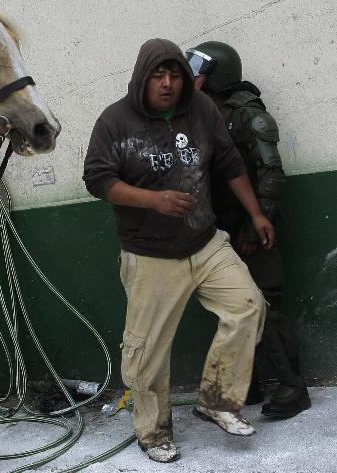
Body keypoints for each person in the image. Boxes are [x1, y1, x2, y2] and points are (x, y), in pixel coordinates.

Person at [83, 38, 273, 463]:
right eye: (158, 75)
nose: (167, 83)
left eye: (174, 75)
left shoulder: (200, 109)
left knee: (247, 305)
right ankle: (153, 432)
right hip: (150, 254)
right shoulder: (115, 122)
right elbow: (96, 179)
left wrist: (256, 213)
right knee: (146, 356)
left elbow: (229, 163)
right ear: (142, 78)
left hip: (205, 242)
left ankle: (218, 401)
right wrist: (154, 200)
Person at [187, 40, 311, 419]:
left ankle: (293, 389)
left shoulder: (247, 114)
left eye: (198, 66)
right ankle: (247, 385)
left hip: (252, 228)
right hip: (219, 227)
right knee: (233, 308)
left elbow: (271, 173)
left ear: (217, 72)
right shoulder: (204, 110)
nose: (191, 72)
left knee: (268, 307)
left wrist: (258, 223)